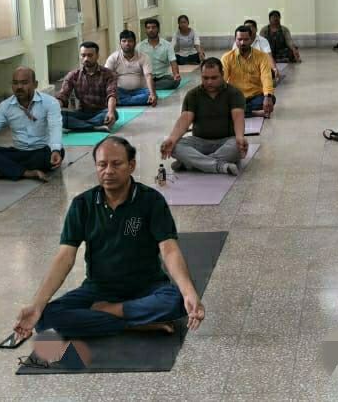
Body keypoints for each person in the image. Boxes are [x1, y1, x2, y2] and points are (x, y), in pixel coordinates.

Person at [13, 136, 206, 340]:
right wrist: (37, 305)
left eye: (116, 164)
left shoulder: (151, 200)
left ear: (131, 165)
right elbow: (65, 257)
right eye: (102, 165)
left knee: (176, 301)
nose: (108, 171)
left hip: (146, 287)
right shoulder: (82, 204)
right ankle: (134, 324)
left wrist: (189, 293)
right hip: (98, 289)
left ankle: (109, 314)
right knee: (45, 317)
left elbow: (169, 249)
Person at [160, 58, 248, 176]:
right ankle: (219, 166)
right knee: (175, 146)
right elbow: (185, 119)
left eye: (214, 78)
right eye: (205, 78)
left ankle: (191, 163)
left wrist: (240, 137)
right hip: (199, 142)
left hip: (226, 141)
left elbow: (238, 117)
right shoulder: (193, 95)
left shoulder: (234, 93)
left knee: (236, 147)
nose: (209, 82)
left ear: (222, 75)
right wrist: (171, 139)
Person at [57, 42, 119, 132]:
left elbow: (112, 95)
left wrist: (110, 112)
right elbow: (63, 95)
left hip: (101, 112)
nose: (86, 59)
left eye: (90, 55)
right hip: (81, 113)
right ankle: (94, 127)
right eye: (83, 55)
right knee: (57, 116)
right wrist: (54, 108)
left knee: (114, 113)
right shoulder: (73, 75)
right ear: (80, 56)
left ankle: (78, 125)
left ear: (97, 56)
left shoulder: (109, 74)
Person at [221, 26, 276, 118]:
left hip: (255, 96)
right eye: (240, 39)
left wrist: (267, 96)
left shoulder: (262, 57)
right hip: (235, 96)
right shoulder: (227, 57)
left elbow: (266, 77)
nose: (242, 43)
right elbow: (222, 79)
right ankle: (254, 113)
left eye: (246, 39)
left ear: (251, 40)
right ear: (235, 40)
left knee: (271, 99)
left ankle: (236, 111)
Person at [104, 30, 157, 107]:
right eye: (124, 41)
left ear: (135, 43)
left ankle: (120, 101)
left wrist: (152, 94)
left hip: (140, 90)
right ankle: (133, 100)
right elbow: (105, 76)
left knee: (150, 94)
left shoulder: (144, 57)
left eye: (130, 41)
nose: (127, 44)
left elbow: (148, 76)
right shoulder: (113, 57)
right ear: (120, 43)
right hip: (120, 90)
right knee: (110, 93)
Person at [138, 18, 182, 91]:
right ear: (145, 30)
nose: (151, 30)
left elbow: (173, 62)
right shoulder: (140, 46)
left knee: (175, 82)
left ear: (158, 29)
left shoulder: (167, 45)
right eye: (148, 28)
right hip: (147, 76)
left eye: (153, 27)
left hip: (163, 77)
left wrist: (176, 74)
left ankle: (150, 86)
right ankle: (151, 85)